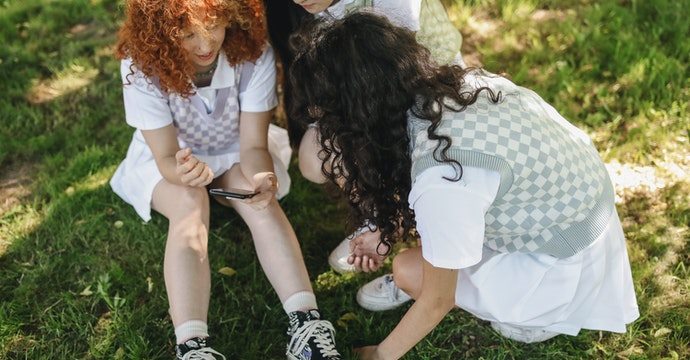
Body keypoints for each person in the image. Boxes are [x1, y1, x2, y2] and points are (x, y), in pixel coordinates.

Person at [288, 13, 639, 359]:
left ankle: (530, 318)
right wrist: (388, 229)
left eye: (327, 115)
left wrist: (379, 355)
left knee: (410, 270)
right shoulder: (457, 89)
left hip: (557, 267)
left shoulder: (443, 178)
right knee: (425, 257)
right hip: (582, 218)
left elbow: (437, 301)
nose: (322, 123)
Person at [111, 0, 341, 358]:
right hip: (172, 158)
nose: (206, 46)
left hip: (234, 148)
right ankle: (192, 345)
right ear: (161, 33)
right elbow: (166, 157)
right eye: (188, 35)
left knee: (254, 194)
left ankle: (307, 324)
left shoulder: (251, 54)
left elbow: (252, 144)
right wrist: (182, 172)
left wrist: (263, 175)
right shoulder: (142, 67)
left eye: (214, 26)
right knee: (190, 203)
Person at [280, 0, 467, 274]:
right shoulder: (318, 9)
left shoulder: (394, 5)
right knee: (314, 154)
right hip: (366, 107)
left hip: (423, 109)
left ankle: (409, 231)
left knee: (417, 166)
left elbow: (407, 89)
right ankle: (380, 216)